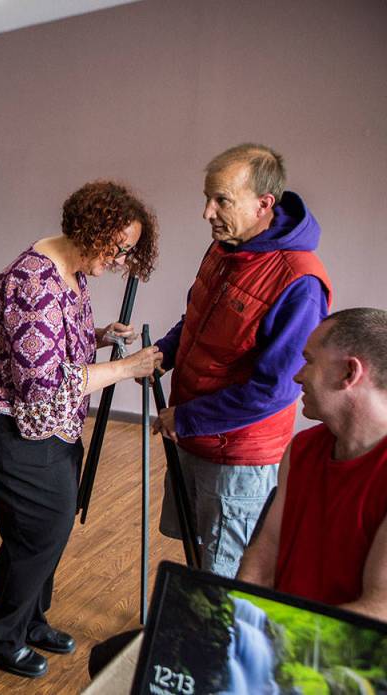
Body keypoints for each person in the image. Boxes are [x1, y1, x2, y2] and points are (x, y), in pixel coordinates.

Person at [0, 181, 162, 679]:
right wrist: (125, 367)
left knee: (48, 524)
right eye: (118, 249)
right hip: (3, 421)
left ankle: (29, 620)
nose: (119, 262)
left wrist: (97, 337)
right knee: (40, 530)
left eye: (129, 252)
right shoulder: (33, 281)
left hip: (50, 424)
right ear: (92, 231)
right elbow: (42, 386)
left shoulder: (71, 275)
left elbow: (52, 345)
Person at [153, 143, 332, 578]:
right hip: (194, 436)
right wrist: (161, 354)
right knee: (199, 556)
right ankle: (190, 628)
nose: (207, 212)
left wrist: (189, 418)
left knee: (227, 571)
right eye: (207, 198)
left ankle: (217, 646)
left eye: (221, 201)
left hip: (238, 455)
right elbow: (196, 319)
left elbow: (278, 387)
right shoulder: (225, 249)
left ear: (263, 204)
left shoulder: (299, 281)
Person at [237, 309, 387, 621]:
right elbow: (266, 548)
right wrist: (239, 617)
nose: (297, 375)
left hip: (338, 658)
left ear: (349, 373)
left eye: (310, 360)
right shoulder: (304, 448)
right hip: (277, 636)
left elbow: (378, 610)